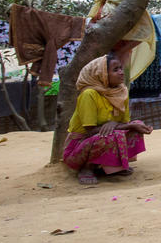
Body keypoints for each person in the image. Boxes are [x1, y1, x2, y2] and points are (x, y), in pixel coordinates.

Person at [62, 54, 153, 185]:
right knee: (108, 136)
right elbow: (90, 130)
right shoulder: (89, 94)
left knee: (136, 125)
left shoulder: (122, 92)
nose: (121, 73)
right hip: (78, 148)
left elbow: (124, 123)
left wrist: (120, 125)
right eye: (115, 70)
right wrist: (123, 126)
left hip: (102, 135)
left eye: (121, 68)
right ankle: (86, 169)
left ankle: (113, 167)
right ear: (102, 74)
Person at [87, 0, 157, 80]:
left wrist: (120, 52)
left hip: (118, 56)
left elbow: (144, 32)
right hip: (99, 51)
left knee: (116, 89)